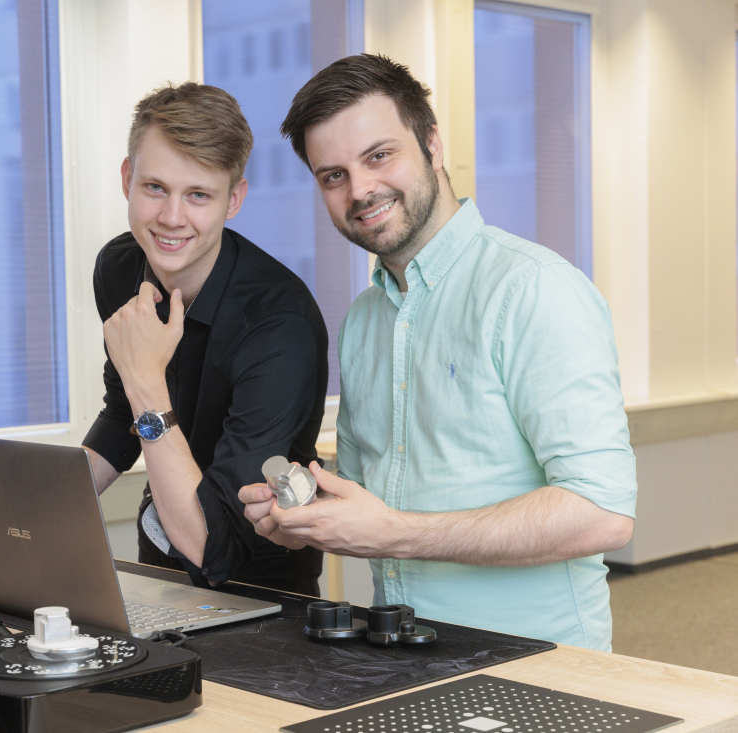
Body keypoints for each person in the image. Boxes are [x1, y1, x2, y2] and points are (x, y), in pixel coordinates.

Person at [239, 54, 636, 650]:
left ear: (432, 143)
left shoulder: (533, 289)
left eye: (379, 156)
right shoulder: (365, 321)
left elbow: (601, 510)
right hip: (401, 655)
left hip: (536, 668)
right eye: (333, 175)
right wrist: (307, 516)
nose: (361, 188)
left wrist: (393, 533)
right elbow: (372, 495)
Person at [0, 82, 329, 595]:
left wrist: (146, 383)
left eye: (199, 195)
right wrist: (14, 515)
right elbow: (124, 416)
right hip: (157, 564)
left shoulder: (280, 323)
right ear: (127, 179)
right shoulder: (119, 267)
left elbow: (215, 546)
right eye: (155, 188)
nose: (171, 218)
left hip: (258, 593)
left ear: (233, 200)